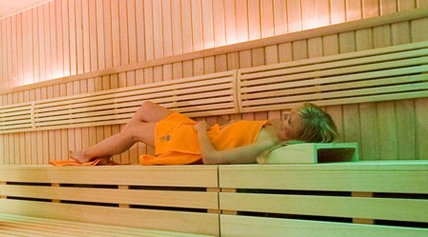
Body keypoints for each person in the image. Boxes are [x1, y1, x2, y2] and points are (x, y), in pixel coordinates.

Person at [68, 101, 338, 166]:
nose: (284, 116)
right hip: (205, 132)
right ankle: (106, 156)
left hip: (195, 142)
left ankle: (88, 154)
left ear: (295, 136)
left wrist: (199, 131)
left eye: (289, 119)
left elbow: (211, 159)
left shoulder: (266, 142)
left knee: (134, 131)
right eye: (289, 112)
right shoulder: (275, 131)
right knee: (146, 108)